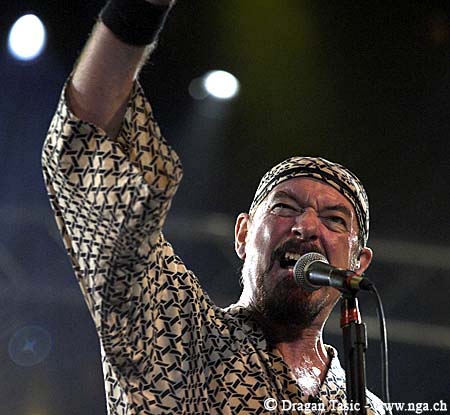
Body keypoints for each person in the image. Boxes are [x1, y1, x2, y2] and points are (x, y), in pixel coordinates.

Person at [42, 1, 385, 414]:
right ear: (243, 234)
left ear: (358, 263)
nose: (307, 226)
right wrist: (139, 9)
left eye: (334, 219)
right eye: (285, 207)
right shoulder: (179, 338)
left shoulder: (368, 408)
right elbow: (88, 143)